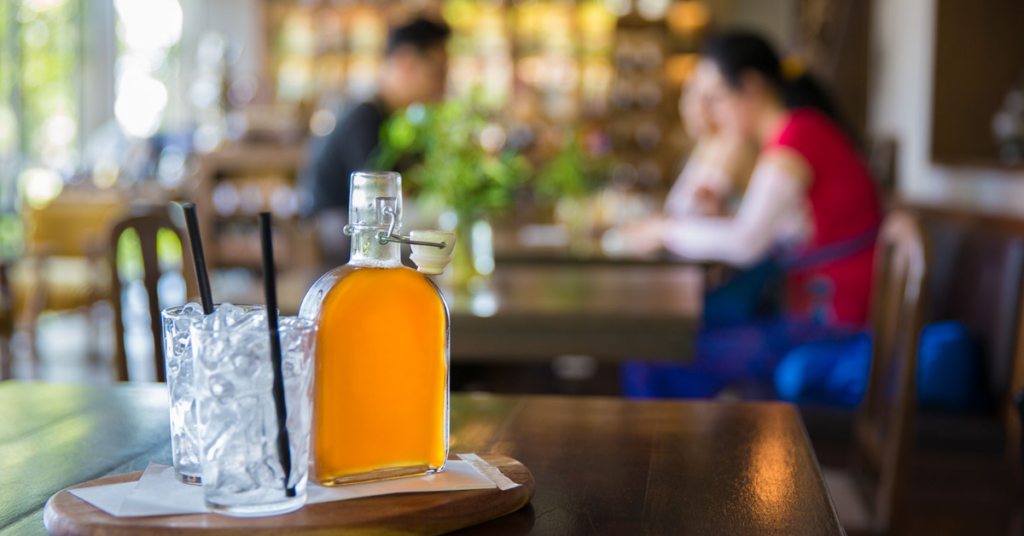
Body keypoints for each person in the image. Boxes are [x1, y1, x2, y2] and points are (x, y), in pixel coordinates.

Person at [623, 31, 882, 399]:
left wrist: (665, 231)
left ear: (750, 86)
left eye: (715, 98)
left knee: (655, 353)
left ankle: (668, 457)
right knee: (664, 337)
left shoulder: (796, 137)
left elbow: (746, 243)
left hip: (831, 327)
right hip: (819, 316)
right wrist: (722, 215)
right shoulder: (798, 132)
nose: (708, 113)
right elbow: (782, 232)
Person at [305, 18, 451, 260]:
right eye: (438, 73)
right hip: (348, 255)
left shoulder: (403, 121)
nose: (443, 87)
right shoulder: (364, 120)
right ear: (406, 63)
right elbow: (379, 209)